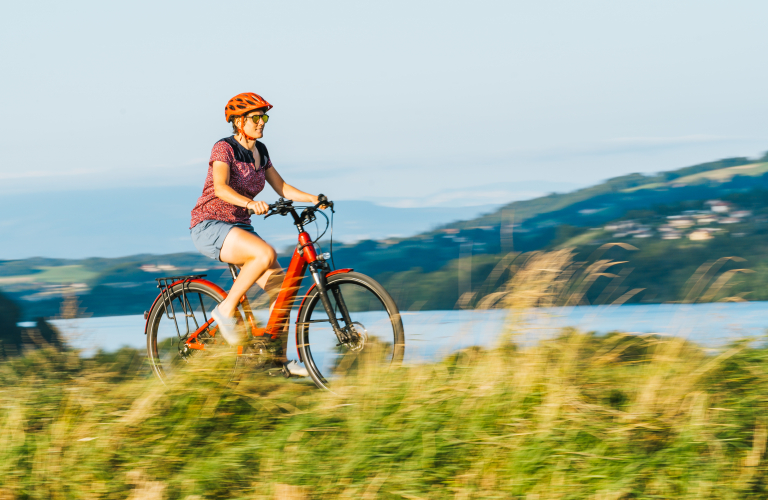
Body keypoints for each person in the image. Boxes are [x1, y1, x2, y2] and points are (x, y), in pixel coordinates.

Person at [189, 92, 323, 376]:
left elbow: (282, 187)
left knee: (283, 291)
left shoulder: (261, 151)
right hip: (210, 224)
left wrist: (314, 198)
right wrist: (250, 203)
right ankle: (225, 310)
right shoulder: (223, 148)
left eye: (264, 117)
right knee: (265, 254)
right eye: (255, 118)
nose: (262, 122)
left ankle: (278, 362)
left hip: (240, 228)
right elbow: (222, 187)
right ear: (238, 122)